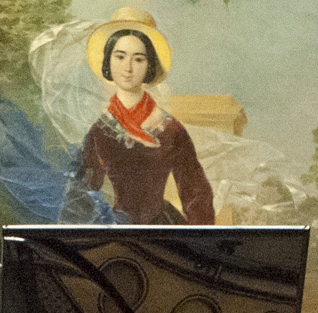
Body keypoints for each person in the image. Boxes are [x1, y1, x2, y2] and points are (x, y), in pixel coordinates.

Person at [71, 9, 214, 226]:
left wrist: (201, 240)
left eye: (138, 59)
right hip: (115, 229)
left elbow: (195, 191)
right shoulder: (99, 131)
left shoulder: (170, 129)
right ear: (108, 61)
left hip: (162, 229)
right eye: (120, 57)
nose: (128, 68)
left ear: (149, 65)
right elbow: (80, 196)